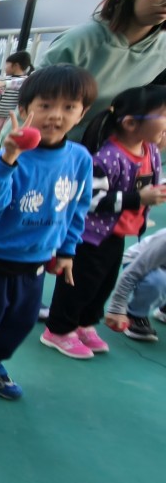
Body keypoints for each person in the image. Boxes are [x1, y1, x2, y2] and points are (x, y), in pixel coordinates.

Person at [0, 65, 97, 405]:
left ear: (82, 112)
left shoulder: (79, 159)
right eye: (45, 105)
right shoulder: (11, 154)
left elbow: (77, 207)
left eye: (68, 107)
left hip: (38, 261)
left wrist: (67, 251)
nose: (55, 115)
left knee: (21, 320)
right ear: (26, 109)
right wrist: (9, 158)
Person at [41, 85, 166, 358]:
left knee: (102, 285)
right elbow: (90, 199)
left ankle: (84, 324)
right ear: (130, 123)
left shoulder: (150, 151)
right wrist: (137, 198)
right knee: (78, 283)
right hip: (88, 235)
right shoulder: (108, 158)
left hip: (116, 234)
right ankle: (59, 329)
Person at [39, 0, 166, 134]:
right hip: (52, 145)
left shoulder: (162, 52)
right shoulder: (80, 42)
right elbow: (34, 106)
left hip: (110, 149)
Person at [105, 227, 166, 343]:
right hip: (137, 261)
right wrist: (117, 308)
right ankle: (135, 315)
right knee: (158, 281)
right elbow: (132, 273)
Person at [0, 51, 33, 156]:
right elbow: (0, 98)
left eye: (7, 64)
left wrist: (5, 83)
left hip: (11, 120)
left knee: (7, 144)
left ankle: (4, 160)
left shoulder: (25, 80)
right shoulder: (6, 79)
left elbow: (17, 83)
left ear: (16, 65)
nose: (5, 67)